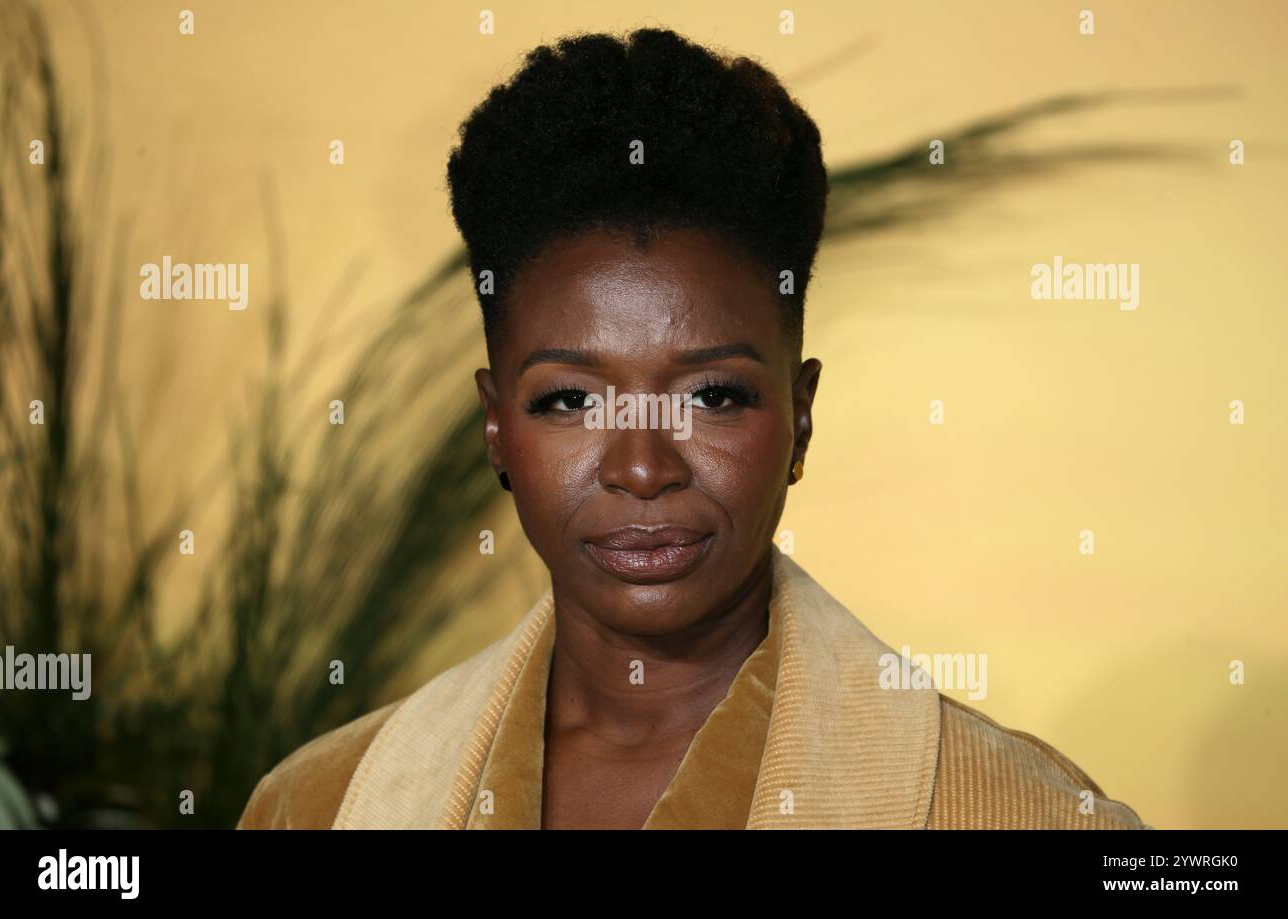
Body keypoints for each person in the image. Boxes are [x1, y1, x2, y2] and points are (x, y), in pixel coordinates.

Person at [237, 27, 1148, 830]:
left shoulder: (1017, 811)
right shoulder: (317, 805)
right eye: (570, 400)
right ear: (494, 426)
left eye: (712, 395)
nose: (641, 466)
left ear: (800, 417)